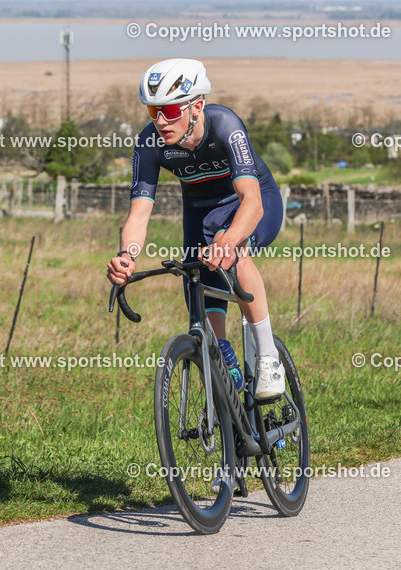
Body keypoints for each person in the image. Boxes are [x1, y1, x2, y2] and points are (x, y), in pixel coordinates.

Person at [106, 58, 285, 400]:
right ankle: (225, 379)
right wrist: (126, 256)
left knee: (234, 251)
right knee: (198, 294)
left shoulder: (224, 124)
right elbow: (139, 214)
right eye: (153, 110)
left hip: (251, 201)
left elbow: (252, 201)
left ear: (197, 106)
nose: (161, 121)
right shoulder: (150, 143)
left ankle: (267, 357)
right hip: (201, 212)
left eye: (171, 111)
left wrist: (230, 241)